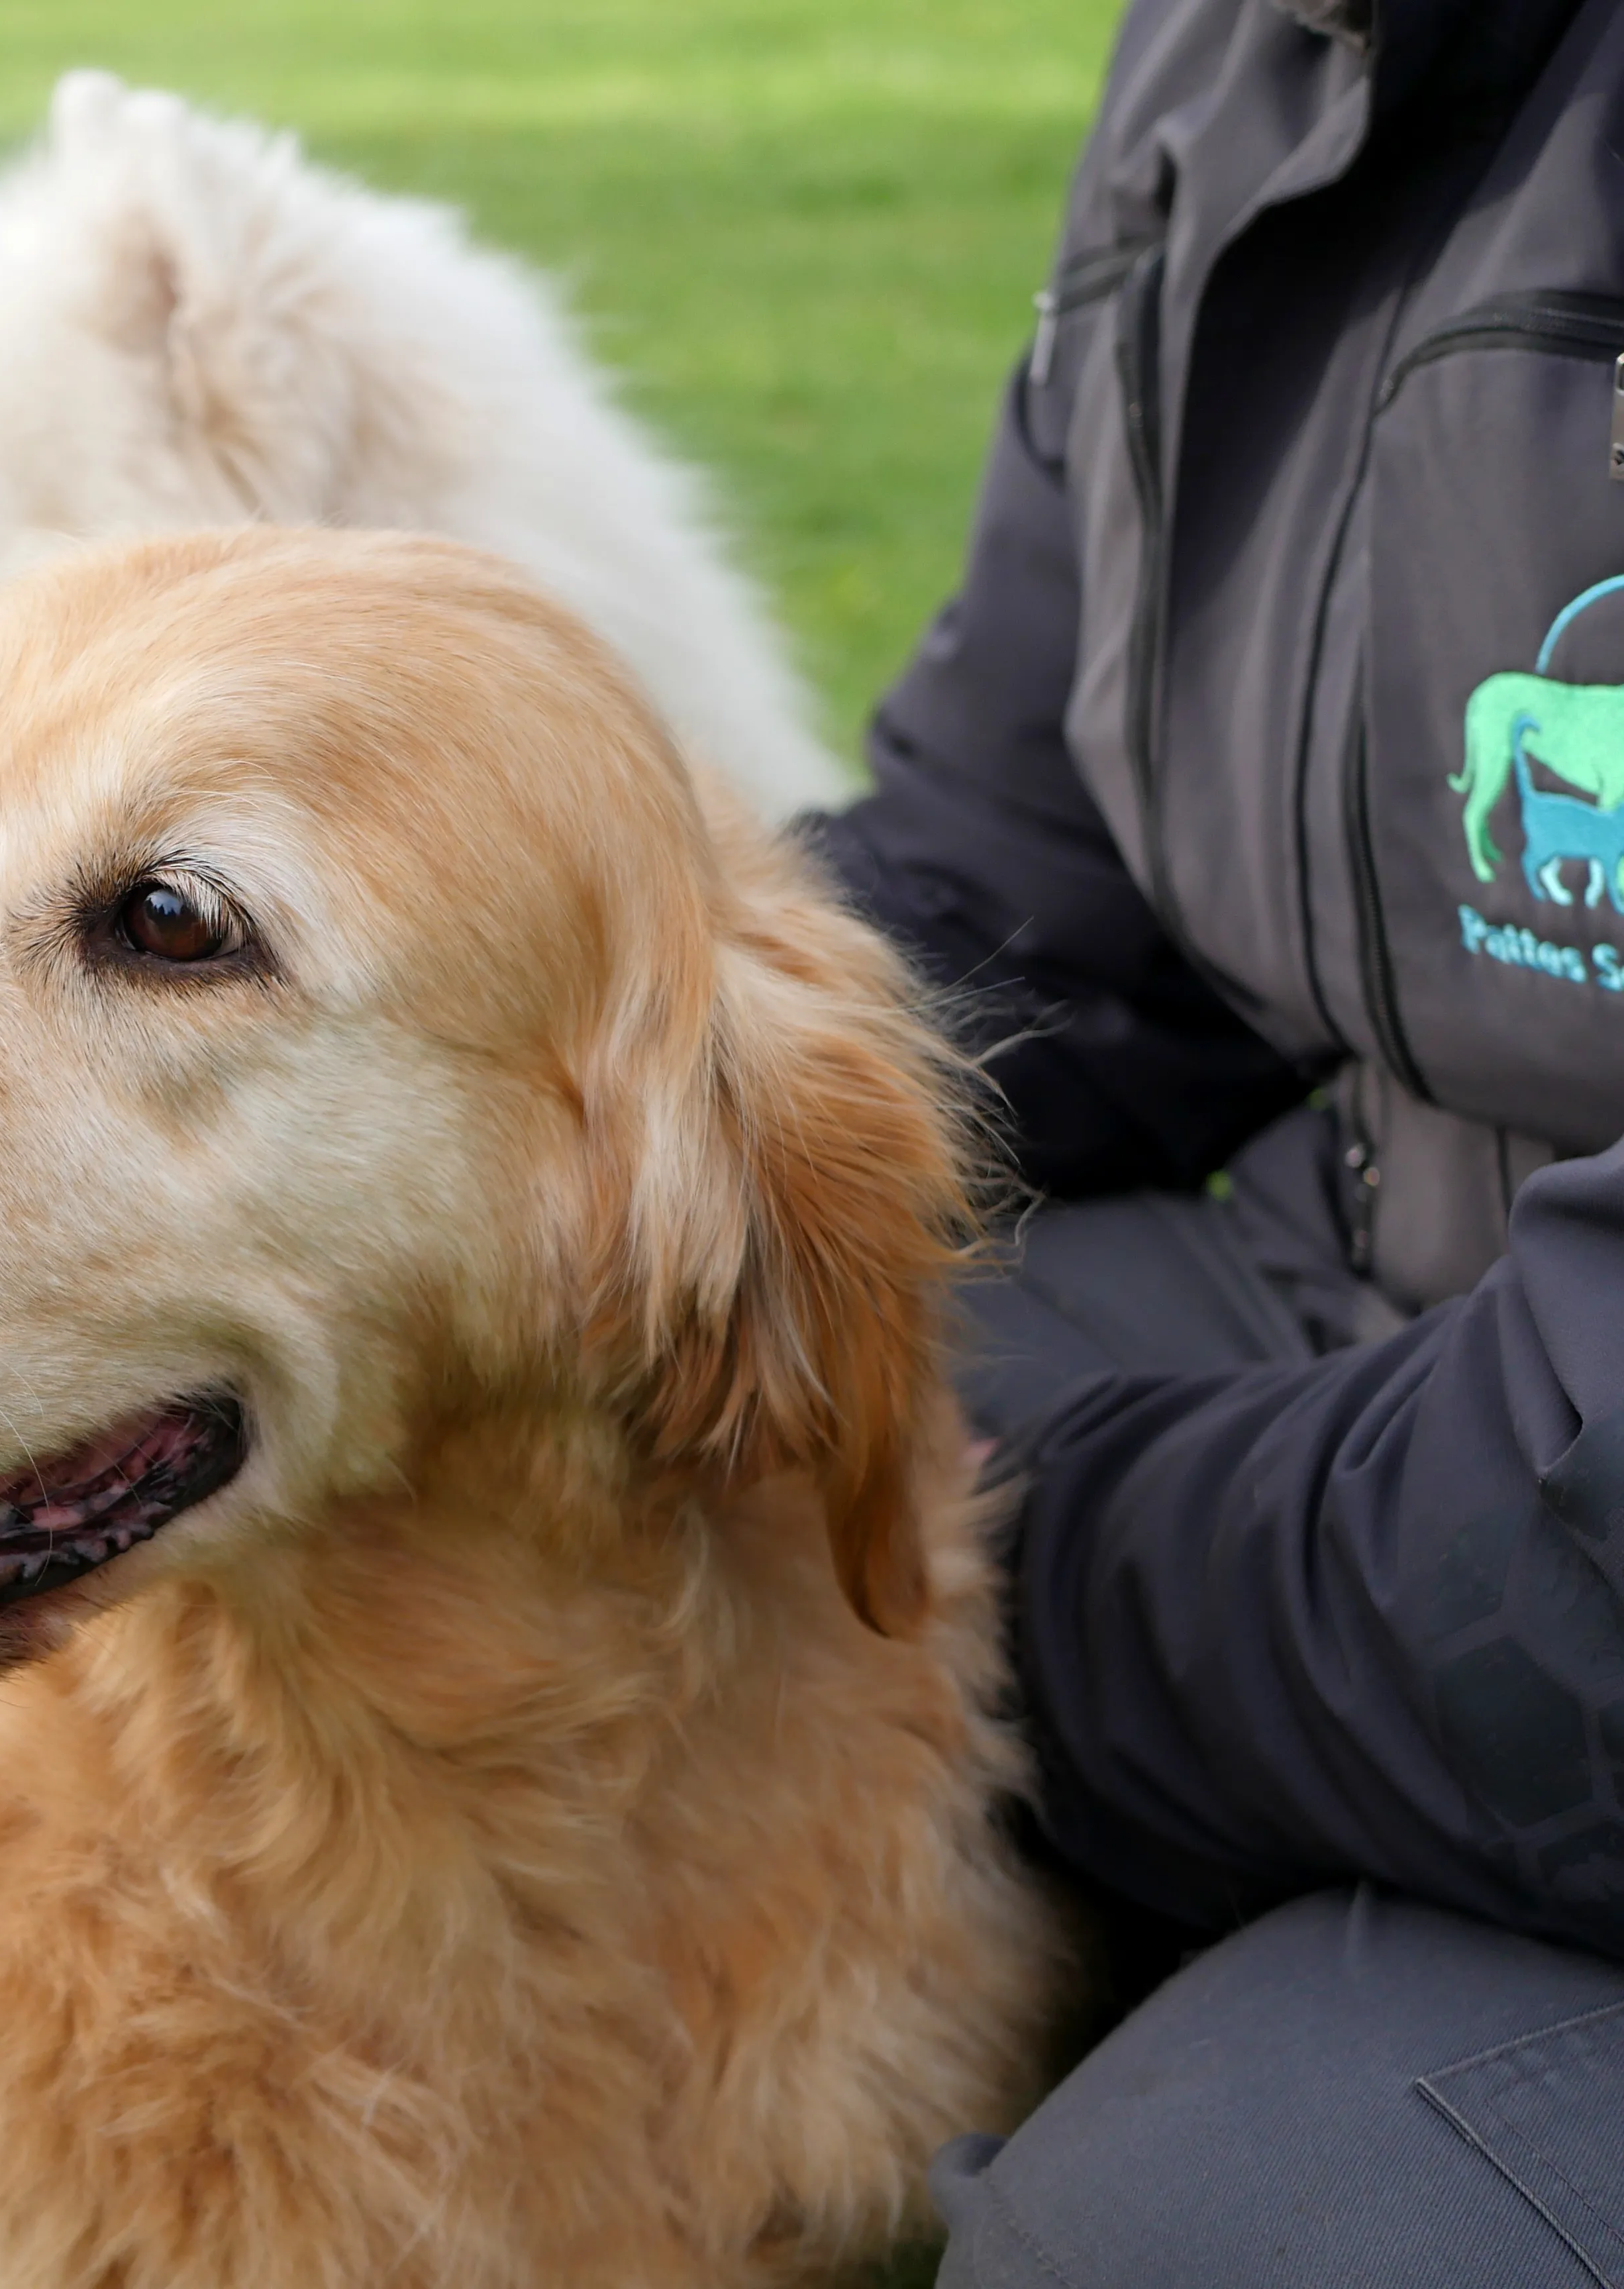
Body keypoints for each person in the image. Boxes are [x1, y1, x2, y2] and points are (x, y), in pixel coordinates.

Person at [809, 0, 1624, 2279]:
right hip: (1377, 1287)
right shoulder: (1239, 49)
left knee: (1204, 2242)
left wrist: (946, 1554)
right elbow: (1020, 881)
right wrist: (544, 1133)